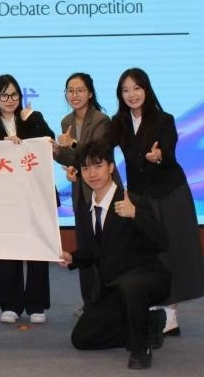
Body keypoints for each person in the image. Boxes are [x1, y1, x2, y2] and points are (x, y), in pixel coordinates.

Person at [110, 67, 204, 336]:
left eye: (136, 88)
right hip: (140, 198)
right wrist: (71, 150)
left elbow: (169, 150)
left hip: (169, 194)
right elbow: (102, 149)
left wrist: (159, 156)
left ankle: (171, 315)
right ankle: (153, 307)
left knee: (171, 252)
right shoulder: (118, 122)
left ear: (146, 89)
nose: (131, 94)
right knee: (146, 254)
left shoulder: (164, 119)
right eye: (125, 90)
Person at [59, 140, 171, 370]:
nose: (92, 174)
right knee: (82, 338)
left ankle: (140, 350)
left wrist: (135, 214)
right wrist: (73, 258)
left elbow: (162, 241)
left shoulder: (131, 199)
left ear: (110, 167)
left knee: (132, 286)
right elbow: (95, 251)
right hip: (114, 286)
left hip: (147, 277)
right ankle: (149, 325)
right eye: (86, 168)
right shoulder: (85, 208)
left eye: (98, 166)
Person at [0, 74, 57, 324]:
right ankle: (11, 304)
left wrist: (30, 123)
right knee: (9, 249)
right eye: (4, 95)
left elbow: (50, 145)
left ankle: (37, 304)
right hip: (6, 198)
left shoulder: (34, 119)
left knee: (37, 249)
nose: (10, 99)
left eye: (14, 94)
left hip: (36, 193)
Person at [54, 73, 122, 313]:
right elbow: (72, 158)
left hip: (104, 190)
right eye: (70, 91)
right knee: (85, 248)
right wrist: (56, 152)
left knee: (108, 248)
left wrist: (71, 145)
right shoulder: (66, 121)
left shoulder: (102, 120)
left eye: (80, 90)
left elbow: (98, 153)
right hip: (81, 193)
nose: (74, 95)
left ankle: (109, 302)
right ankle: (89, 304)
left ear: (90, 93)